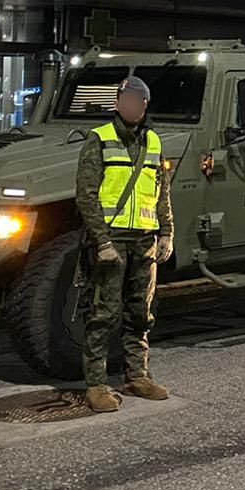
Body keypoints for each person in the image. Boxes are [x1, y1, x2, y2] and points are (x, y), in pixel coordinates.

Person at [74, 75, 174, 412]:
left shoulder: (155, 143)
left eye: (137, 100)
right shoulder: (99, 139)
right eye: (125, 100)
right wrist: (101, 240)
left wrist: (166, 232)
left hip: (144, 240)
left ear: (144, 105)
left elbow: (162, 193)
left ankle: (137, 378)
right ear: (117, 104)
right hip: (112, 241)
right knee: (104, 313)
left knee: (140, 313)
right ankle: (96, 384)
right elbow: (86, 195)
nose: (130, 106)